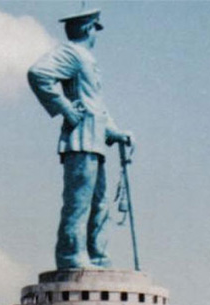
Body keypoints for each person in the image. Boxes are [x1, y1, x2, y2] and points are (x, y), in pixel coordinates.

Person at [27, 9, 133, 270]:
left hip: (95, 141)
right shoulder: (72, 53)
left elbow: (96, 105)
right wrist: (65, 108)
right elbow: (38, 73)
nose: (97, 33)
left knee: (100, 203)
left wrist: (115, 132)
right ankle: (71, 255)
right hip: (80, 139)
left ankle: (96, 254)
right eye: (96, 28)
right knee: (79, 202)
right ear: (88, 28)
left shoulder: (87, 58)